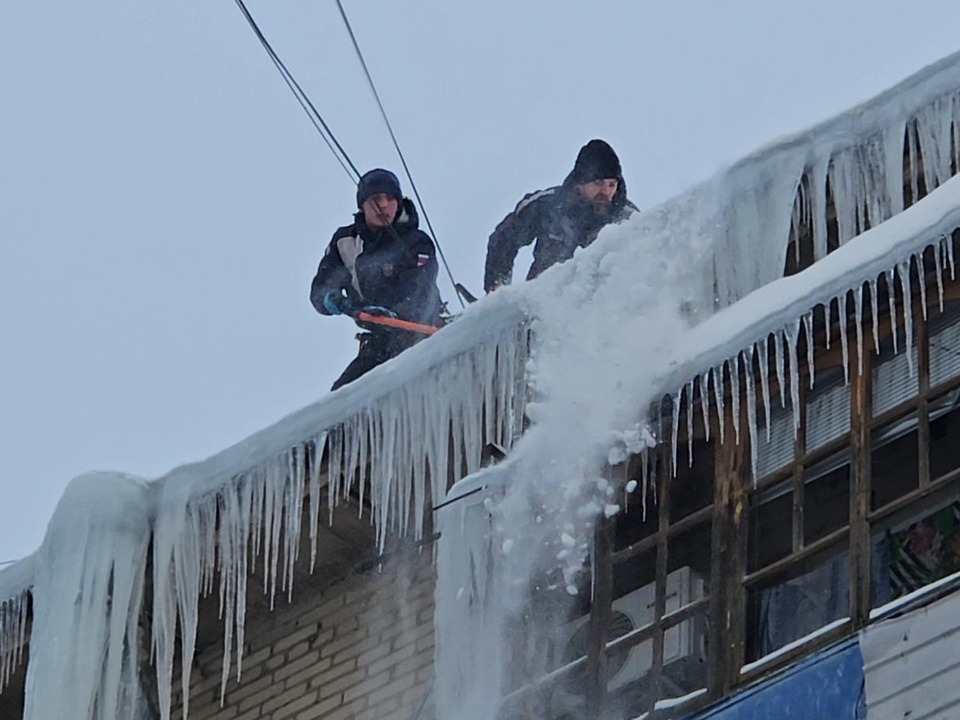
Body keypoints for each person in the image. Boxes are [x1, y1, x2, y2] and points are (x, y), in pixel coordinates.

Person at [311, 168, 443, 390]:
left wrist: (392, 313)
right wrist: (332, 300)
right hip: (380, 341)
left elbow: (421, 291)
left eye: (390, 198)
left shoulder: (417, 243)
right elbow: (320, 289)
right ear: (362, 205)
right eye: (375, 198)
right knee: (340, 400)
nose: (383, 205)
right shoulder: (345, 242)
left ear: (399, 203)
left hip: (423, 336)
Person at [484, 139, 638, 292]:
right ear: (581, 183)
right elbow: (504, 239)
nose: (606, 192)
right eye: (598, 183)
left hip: (601, 310)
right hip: (540, 305)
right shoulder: (547, 206)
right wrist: (497, 286)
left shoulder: (629, 220)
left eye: (612, 184)